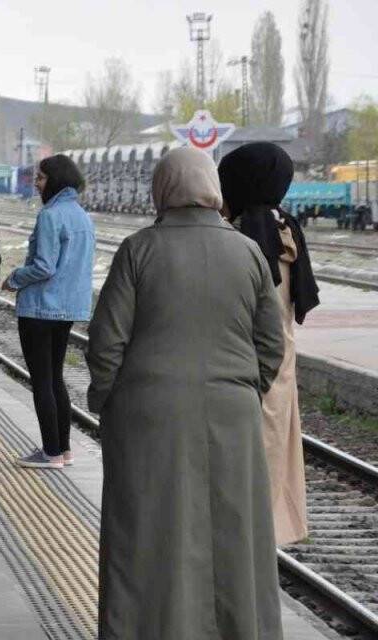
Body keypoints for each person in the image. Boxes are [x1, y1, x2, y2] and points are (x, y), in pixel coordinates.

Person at [87, 147, 285, 638]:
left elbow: (107, 340)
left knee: (148, 531)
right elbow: (270, 344)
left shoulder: (139, 249)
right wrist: (242, 387)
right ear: (212, 190)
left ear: (162, 189)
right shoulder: (248, 251)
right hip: (232, 413)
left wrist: (107, 400)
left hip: (148, 412)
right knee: (234, 534)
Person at [219, 142, 320, 546]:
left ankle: (249, 536)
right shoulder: (286, 226)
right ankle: (271, 528)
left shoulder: (244, 234)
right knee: (275, 452)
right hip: (281, 363)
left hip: (248, 365)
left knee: (248, 458)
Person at [2, 154, 95, 469]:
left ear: (54, 180)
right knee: (56, 377)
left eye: (40, 178)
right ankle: (64, 449)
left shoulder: (51, 215)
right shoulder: (82, 215)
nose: (37, 184)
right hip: (68, 308)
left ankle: (50, 452)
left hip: (41, 308)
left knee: (41, 380)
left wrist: (14, 279)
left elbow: (43, 266)